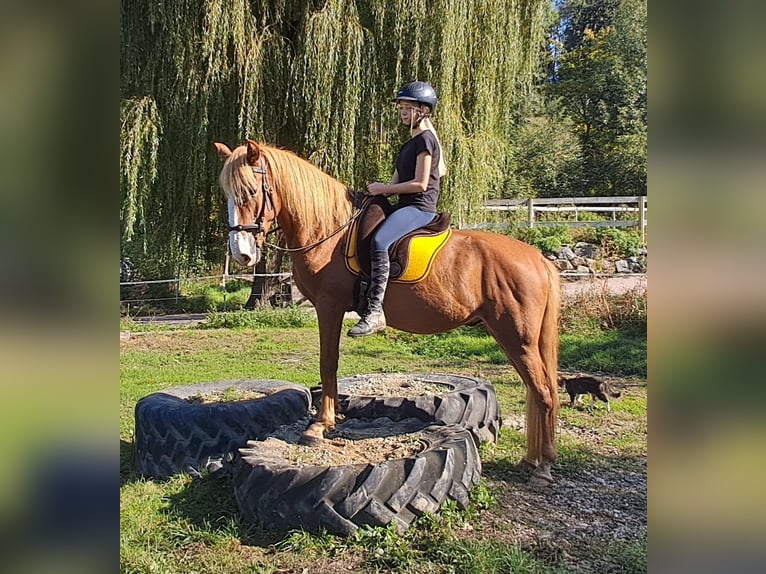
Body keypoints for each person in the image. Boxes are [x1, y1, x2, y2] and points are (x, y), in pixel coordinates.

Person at [348, 81, 447, 337]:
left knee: (380, 241)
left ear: (424, 111)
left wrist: (384, 190)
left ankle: (375, 311)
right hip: (403, 206)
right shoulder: (408, 144)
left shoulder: (426, 140)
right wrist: (373, 194)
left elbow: (420, 184)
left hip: (419, 207)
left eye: (409, 108)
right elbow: (395, 184)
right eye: (402, 108)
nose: (403, 113)